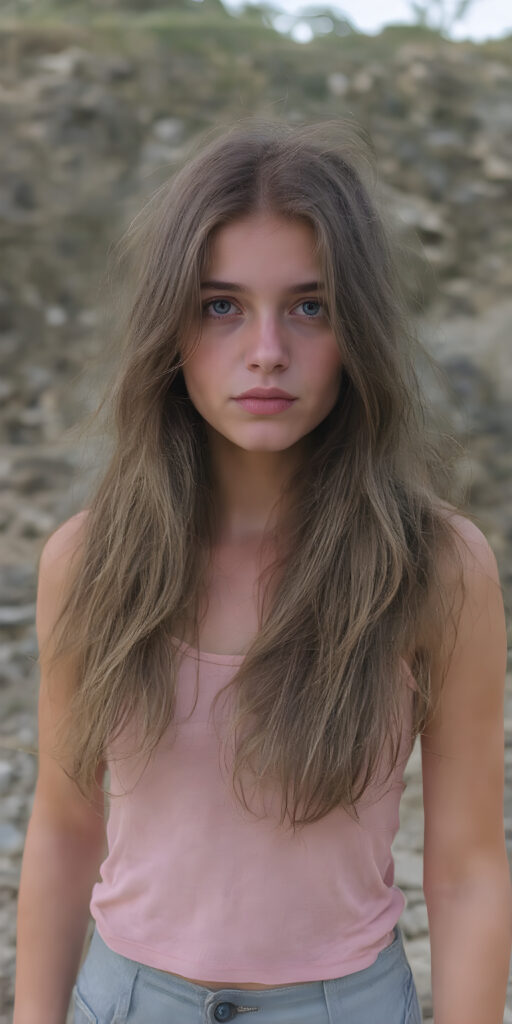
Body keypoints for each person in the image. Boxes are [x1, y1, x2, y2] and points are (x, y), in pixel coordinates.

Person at [14, 118, 511, 1024]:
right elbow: (65, 825)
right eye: (222, 305)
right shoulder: (87, 562)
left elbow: (469, 866)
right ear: (171, 325)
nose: (268, 349)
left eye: (310, 306)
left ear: (356, 326)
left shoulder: (438, 567)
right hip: (123, 1003)